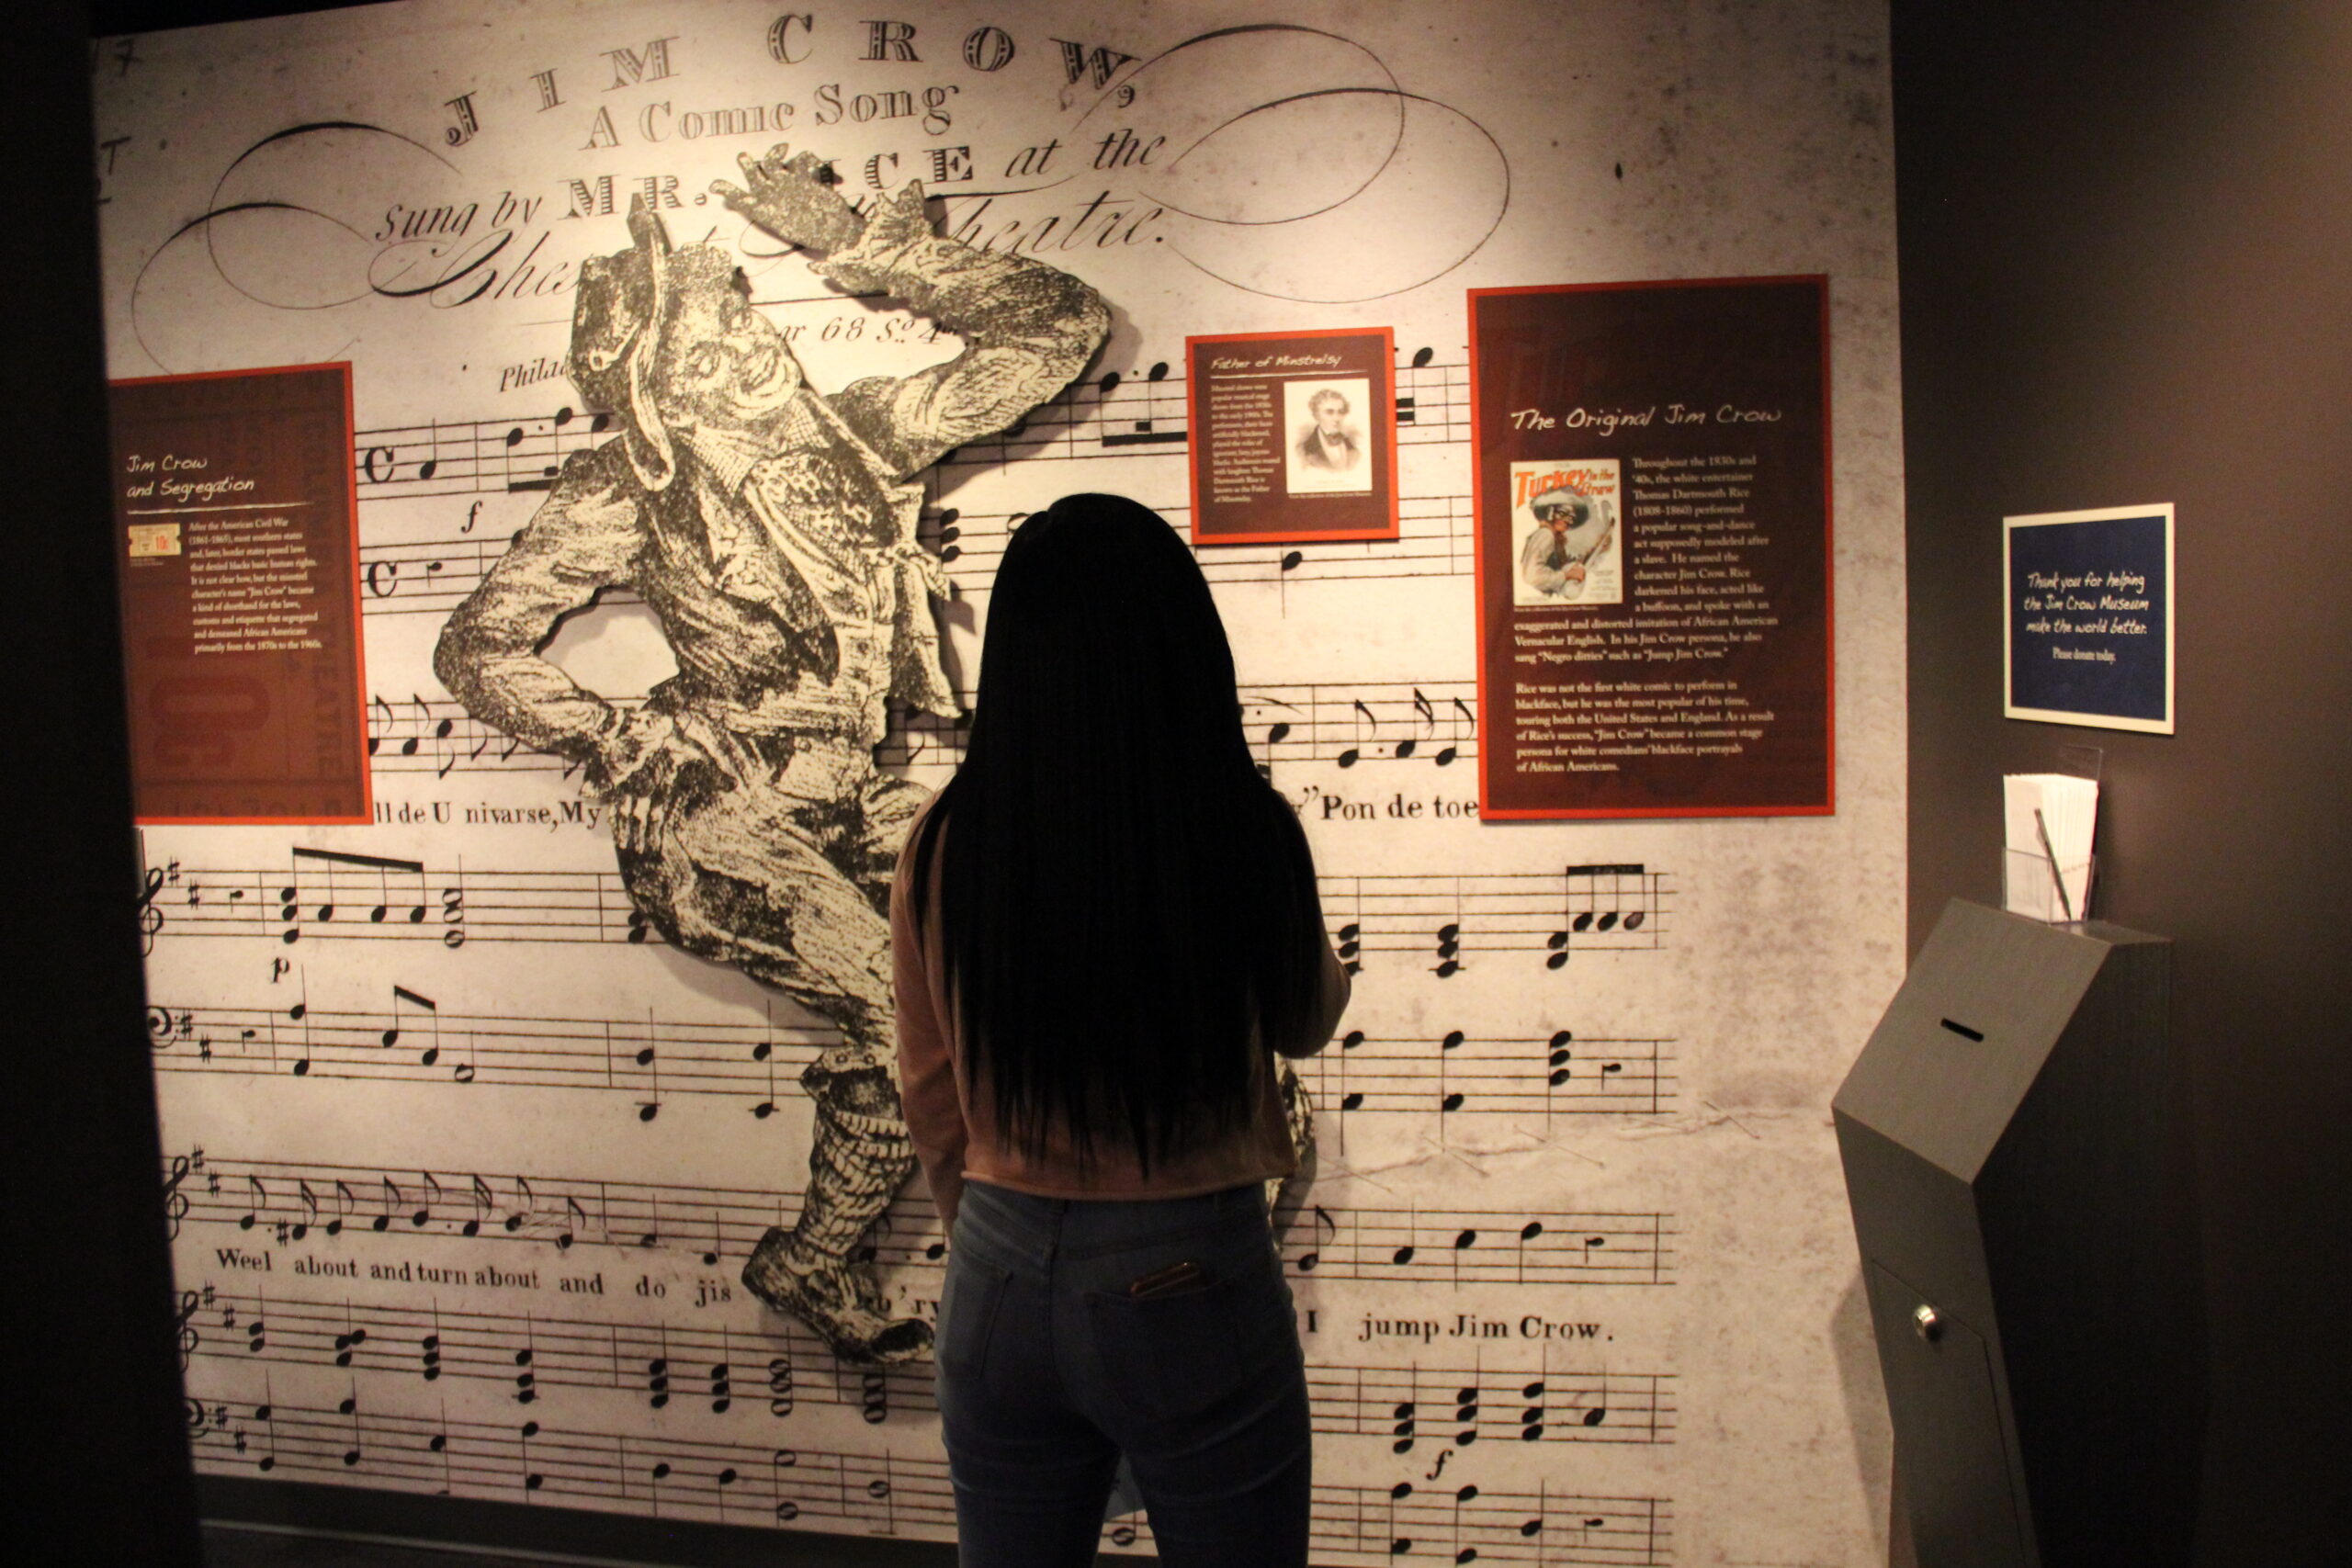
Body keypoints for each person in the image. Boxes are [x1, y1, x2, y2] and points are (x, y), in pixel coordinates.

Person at [434, 144, 1109, 1364]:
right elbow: (478, 645)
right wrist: (618, 730)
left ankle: (961, 1244)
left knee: (1045, 951)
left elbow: (1059, 329)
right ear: (662, 406)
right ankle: (819, 1259)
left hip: (859, 790)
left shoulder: (860, 440)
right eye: (701, 355)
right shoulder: (625, 496)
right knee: (898, 1023)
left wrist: (874, 251)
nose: (748, 350)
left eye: (742, 316)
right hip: (719, 813)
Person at [891, 493, 1351, 1568]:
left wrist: (990, 1237)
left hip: (996, 1264)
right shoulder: (1239, 826)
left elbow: (927, 1086)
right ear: (1182, 647)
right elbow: (1304, 1021)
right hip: (1185, 1273)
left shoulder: (948, 836)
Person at [1519, 485, 1614, 598]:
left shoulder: (1553, 538)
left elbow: (1558, 566)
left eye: (1571, 517)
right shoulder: (1546, 534)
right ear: (1550, 512)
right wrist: (1567, 575)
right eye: (1563, 513)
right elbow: (1532, 576)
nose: (1568, 520)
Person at [1294, 386, 1363, 471]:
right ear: (1316, 415)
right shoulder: (1304, 450)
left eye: (1341, 412)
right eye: (1329, 412)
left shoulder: (1353, 448)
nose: (1337, 418)